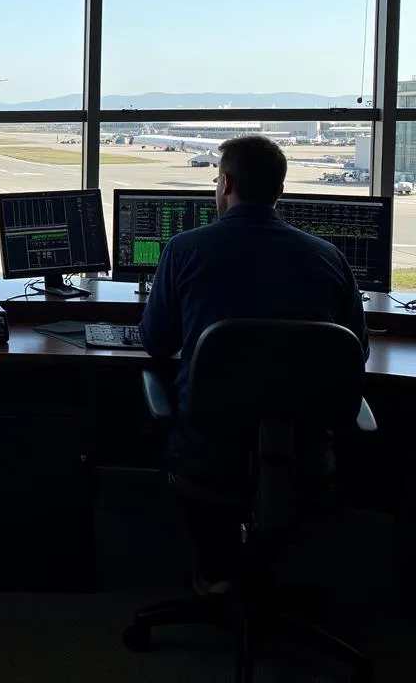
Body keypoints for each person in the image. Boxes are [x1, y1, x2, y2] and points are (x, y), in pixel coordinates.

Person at [139, 135, 368, 597]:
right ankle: (269, 574)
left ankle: (217, 574)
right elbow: (354, 353)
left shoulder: (184, 250)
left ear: (225, 183)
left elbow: (155, 343)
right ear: (280, 191)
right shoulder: (329, 257)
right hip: (303, 452)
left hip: (209, 451)